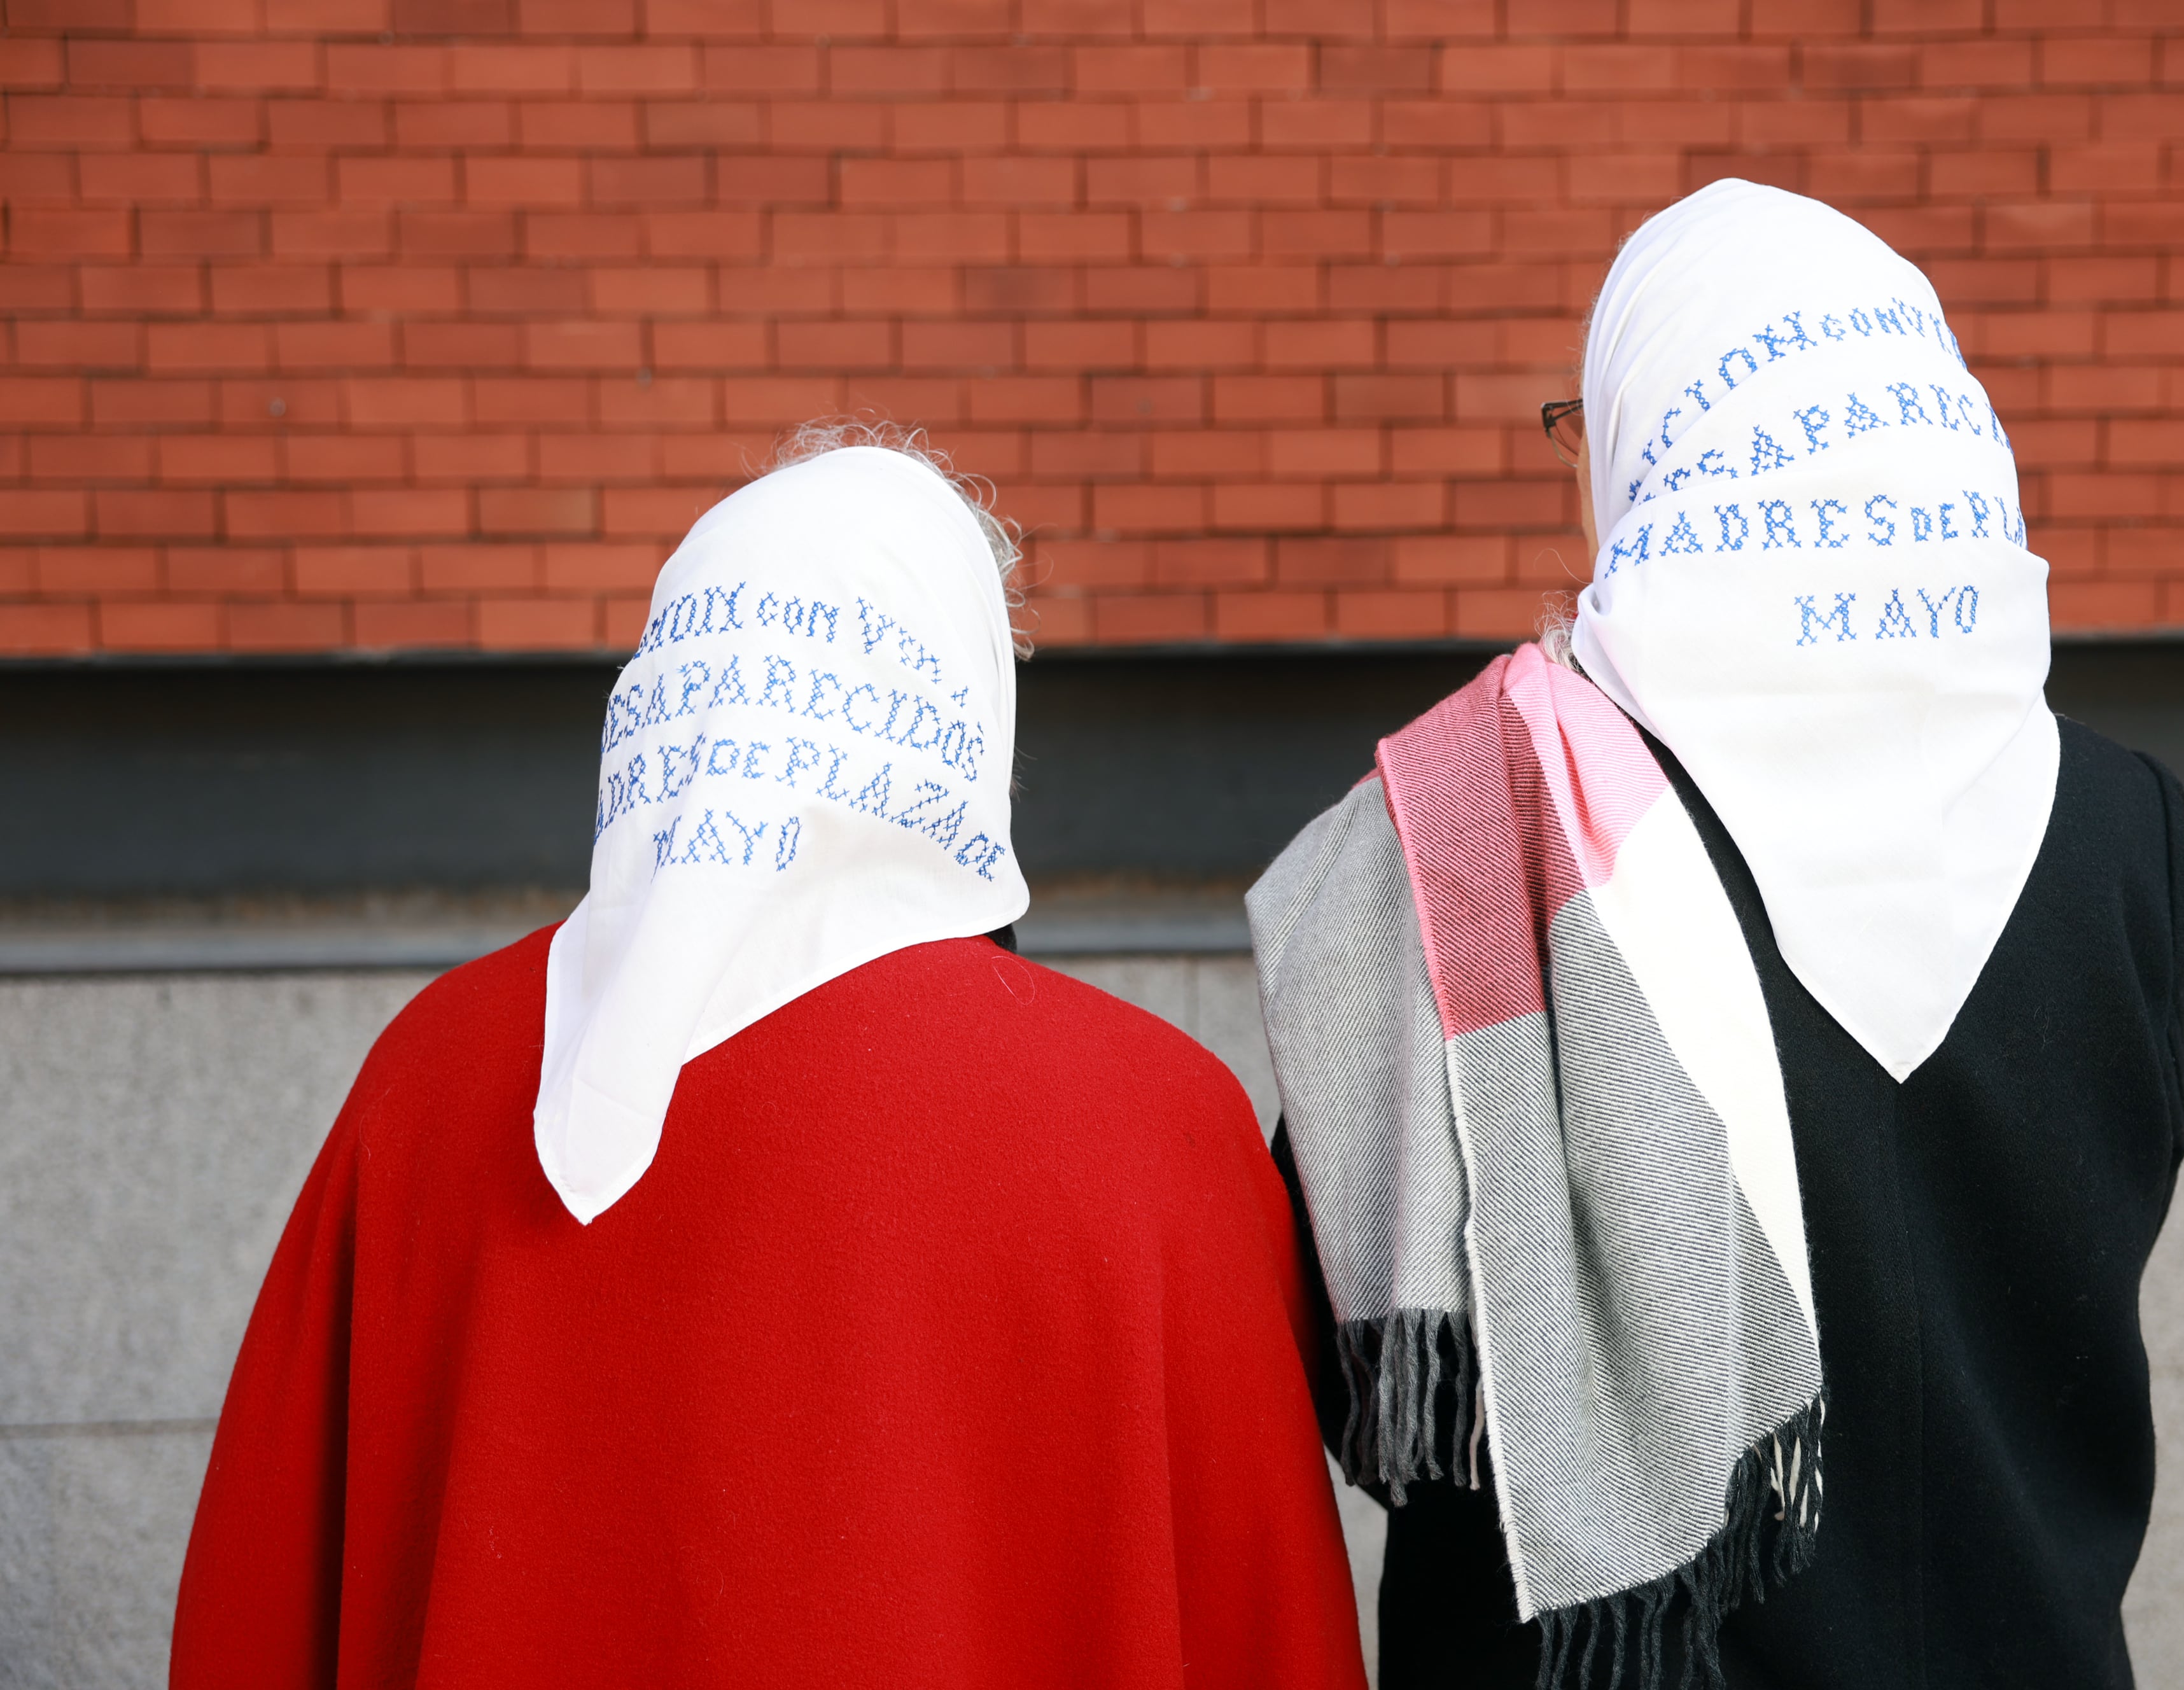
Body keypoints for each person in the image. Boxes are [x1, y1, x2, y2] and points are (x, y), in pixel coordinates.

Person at [171, 428, 1368, 1690]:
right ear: (966, 713)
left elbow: (261, 1606)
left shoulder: (428, 1081)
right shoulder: (1151, 1117)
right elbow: (1263, 1619)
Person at [1249, 181, 2184, 1690]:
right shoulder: (2124, 828)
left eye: (1585, 422)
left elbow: (1361, 1353)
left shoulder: (1478, 827)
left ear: (1652, 448)